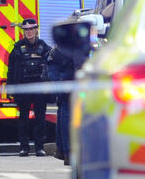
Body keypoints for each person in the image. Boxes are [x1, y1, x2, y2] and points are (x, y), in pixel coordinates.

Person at [6, 18, 51, 157]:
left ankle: (39, 147)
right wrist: (10, 88)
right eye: (26, 30)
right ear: (23, 32)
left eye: (31, 29)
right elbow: (11, 71)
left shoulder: (45, 48)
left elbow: (51, 69)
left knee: (40, 118)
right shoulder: (17, 48)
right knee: (23, 118)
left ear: (36, 30)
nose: (29, 32)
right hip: (23, 88)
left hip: (39, 88)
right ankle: (24, 147)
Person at [46, 28, 92, 165]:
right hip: (63, 76)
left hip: (58, 72)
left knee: (63, 108)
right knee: (67, 109)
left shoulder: (68, 44)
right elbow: (80, 67)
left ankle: (61, 150)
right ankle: (68, 153)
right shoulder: (79, 46)